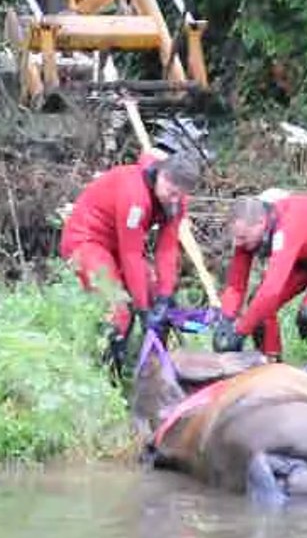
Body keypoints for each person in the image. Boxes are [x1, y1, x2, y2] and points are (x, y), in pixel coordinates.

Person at [60, 151, 202, 374]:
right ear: (161, 176)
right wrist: (144, 309)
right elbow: (131, 255)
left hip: (117, 245)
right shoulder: (135, 196)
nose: (174, 199)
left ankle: (154, 373)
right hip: (87, 241)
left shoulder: (175, 200)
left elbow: (167, 249)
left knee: (158, 301)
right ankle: (106, 377)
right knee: (119, 310)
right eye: (171, 192)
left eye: (180, 195)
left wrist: (165, 295)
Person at [212, 193, 307, 361]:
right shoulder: (248, 234)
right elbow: (236, 285)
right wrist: (226, 320)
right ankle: (271, 363)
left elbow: (272, 290)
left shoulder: (287, 227)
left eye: (242, 237)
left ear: (261, 223)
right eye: (235, 237)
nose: (237, 243)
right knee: (257, 306)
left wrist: (240, 332)